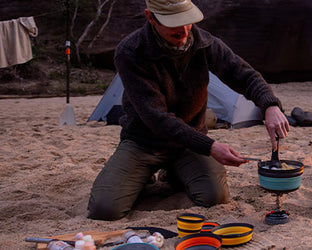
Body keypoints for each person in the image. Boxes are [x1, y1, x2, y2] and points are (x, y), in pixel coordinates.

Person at [87, 0, 290, 220]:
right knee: (105, 209)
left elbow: (244, 75)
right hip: (143, 143)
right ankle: (143, 174)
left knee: (215, 197)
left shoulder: (204, 43)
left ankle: (174, 173)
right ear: (150, 17)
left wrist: (270, 105)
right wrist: (210, 146)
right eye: (174, 22)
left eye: (187, 20)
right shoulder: (131, 51)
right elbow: (157, 117)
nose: (183, 29)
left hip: (190, 145)